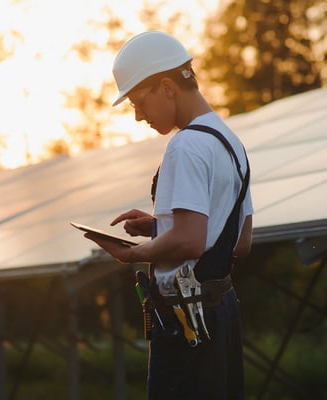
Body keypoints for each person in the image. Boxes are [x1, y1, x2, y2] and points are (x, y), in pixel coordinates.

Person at [82, 31, 254, 400]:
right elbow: (238, 242)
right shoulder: (230, 143)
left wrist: (132, 254)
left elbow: (191, 241)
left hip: (184, 319)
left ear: (166, 87)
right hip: (221, 314)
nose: (138, 116)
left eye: (137, 103)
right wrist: (161, 226)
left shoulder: (185, 145)